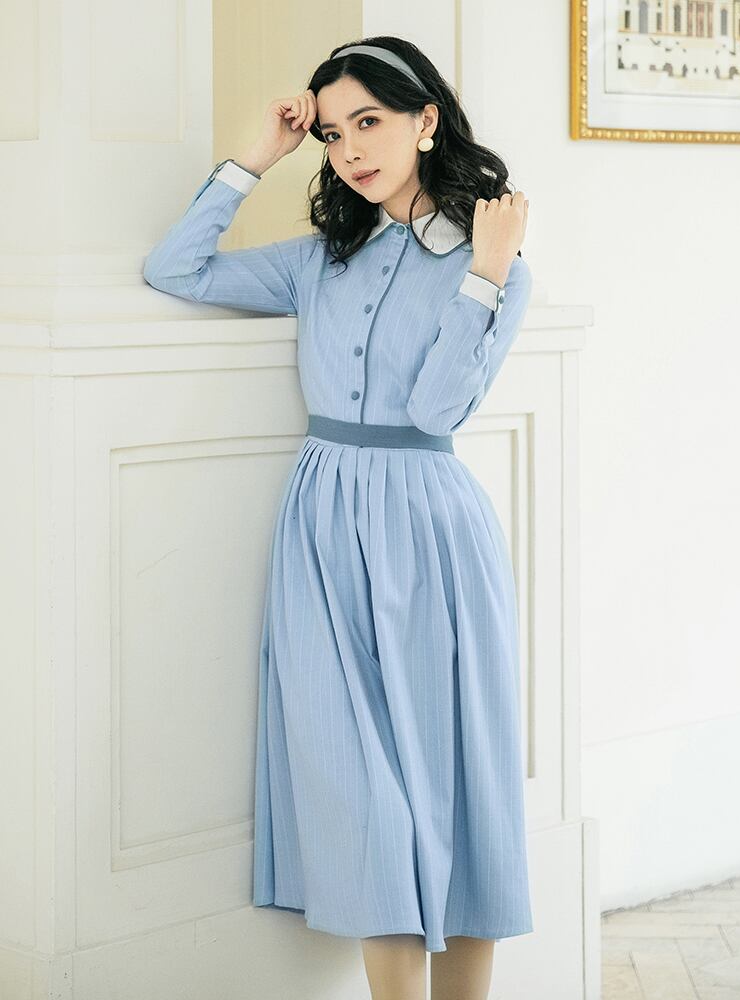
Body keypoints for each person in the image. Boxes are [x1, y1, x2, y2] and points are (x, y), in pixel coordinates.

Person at [144, 34, 533, 1000]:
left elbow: (438, 410)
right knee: (357, 786)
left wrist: (486, 272)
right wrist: (258, 156)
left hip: (430, 531)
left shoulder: (493, 267)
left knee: (451, 778)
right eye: (331, 133)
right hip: (321, 528)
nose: (350, 148)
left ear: (425, 120)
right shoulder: (321, 259)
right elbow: (176, 269)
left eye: (369, 121)